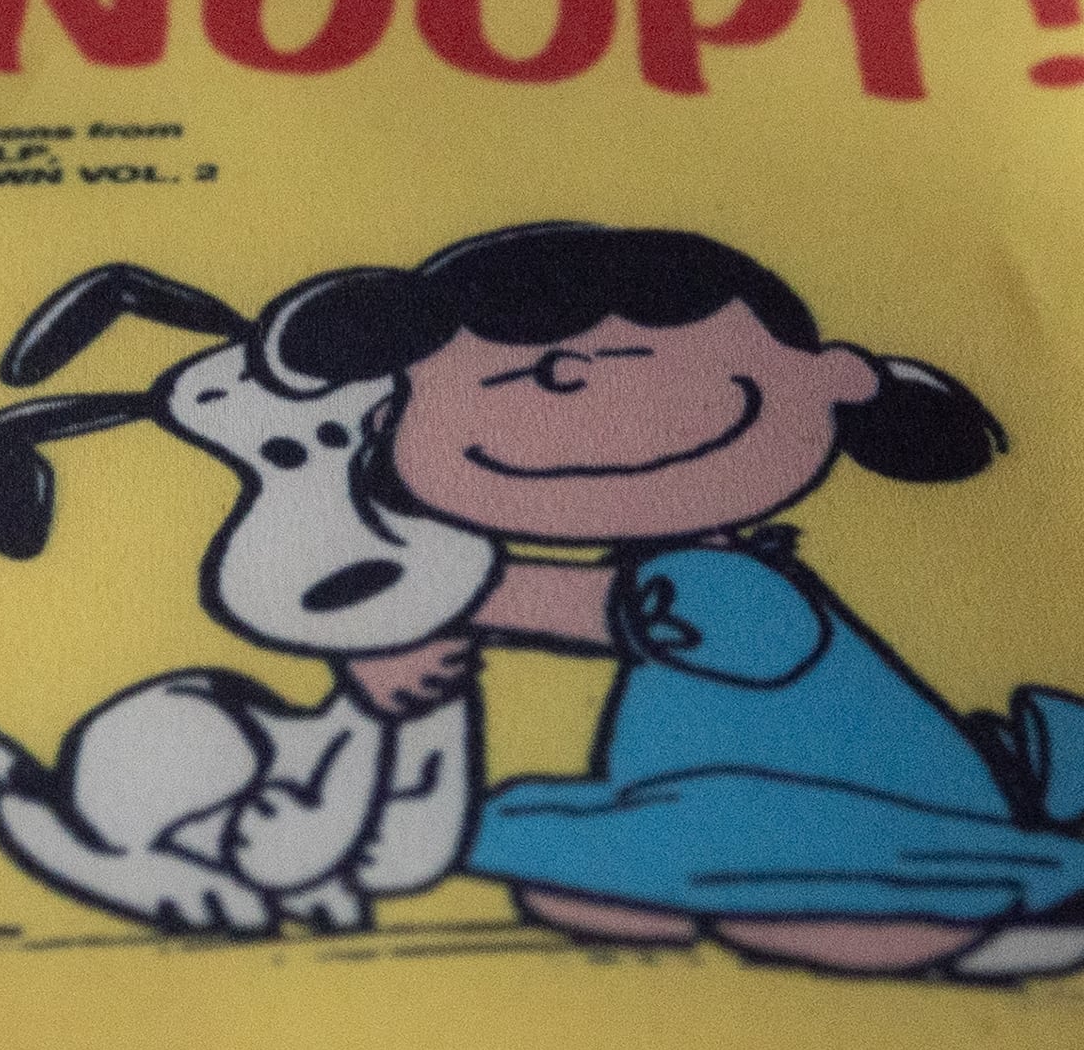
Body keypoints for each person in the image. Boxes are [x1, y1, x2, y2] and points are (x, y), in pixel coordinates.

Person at [270, 220, 1084, 979]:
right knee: (539, 836)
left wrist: (401, 612)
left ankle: (983, 905)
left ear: (829, 382)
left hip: (848, 804)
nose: (571, 392)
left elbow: (523, 598)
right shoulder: (675, 568)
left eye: (587, 370)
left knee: (573, 845)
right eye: (525, 376)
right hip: (703, 794)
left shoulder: (726, 583)